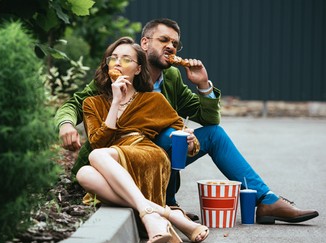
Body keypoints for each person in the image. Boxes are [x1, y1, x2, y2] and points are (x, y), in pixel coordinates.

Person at [55, 18, 318, 225]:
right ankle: (167, 202)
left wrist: (203, 85)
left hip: (155, 158)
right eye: (163, 40)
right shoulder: (117, 71)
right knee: (170, 133)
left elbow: (207, 118)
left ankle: (265, 199)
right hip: (114, 160)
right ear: (145, 43)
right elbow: (75, 104)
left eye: (175, 44)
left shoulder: (171, 80)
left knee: (212, 134)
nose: (171, 46)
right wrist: (66, 124)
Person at [76, 36, 209, 243]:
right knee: (84, 173)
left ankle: (151, 216)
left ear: (138, 69)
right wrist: (116, 101)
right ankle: (162, 214)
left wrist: (191, 140)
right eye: (113, 58)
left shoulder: (153, 100)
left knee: (96, 158)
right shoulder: (92, 103)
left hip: (147, 155)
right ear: (107, 64)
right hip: (112, 161)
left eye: (127, 59)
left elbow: (185, 138)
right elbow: (97, 144)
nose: (118, 63)